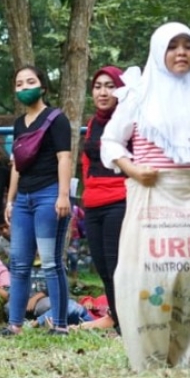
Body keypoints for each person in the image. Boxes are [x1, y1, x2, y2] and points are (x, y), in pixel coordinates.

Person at [102, 23, 190, 369]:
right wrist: (135, 170)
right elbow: (111, 142)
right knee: (149, 275)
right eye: (172, 47)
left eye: (188, 46)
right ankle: (150, 358)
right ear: (158, 52)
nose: (181, 53)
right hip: (153, 200)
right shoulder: (140, 96)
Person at [0, 65, 73, 338]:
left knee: (50, 262)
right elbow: (17, 164)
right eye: (19, 83)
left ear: (43, 86)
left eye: (30, 82)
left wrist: (63, 195)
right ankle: (14, 325)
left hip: (49, 196)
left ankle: (60, 325)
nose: (24, 87)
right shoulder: (18, 124)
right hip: (23, 199)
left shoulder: (56, 119)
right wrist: (10, 200)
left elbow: (65, 157)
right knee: (19, 263)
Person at [76, 66, 126, 332]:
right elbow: (86, 161)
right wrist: (88, 192)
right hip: (93, 204)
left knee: (117, 265)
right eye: (98, 86)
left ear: (120, 90)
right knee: (103, 268)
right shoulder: (93, 123)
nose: (103, 92)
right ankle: (118, 319)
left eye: (110, 86)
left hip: (120, 200)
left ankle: (128, 323)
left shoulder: (129, 119)